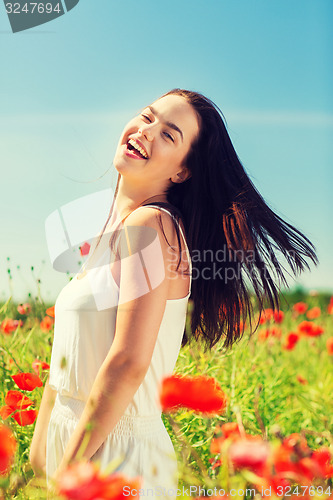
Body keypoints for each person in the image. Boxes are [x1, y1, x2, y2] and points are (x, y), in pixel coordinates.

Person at [29, 89, 318, 496]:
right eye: (147, 117)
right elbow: (68, 366)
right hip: (78, 442)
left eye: (169, 135)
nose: (146, 131)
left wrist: (70, 474)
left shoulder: (150, 226)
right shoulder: (116, 233)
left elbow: (129, 362)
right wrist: (37, 461)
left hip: (112, 456)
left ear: (182, 172)